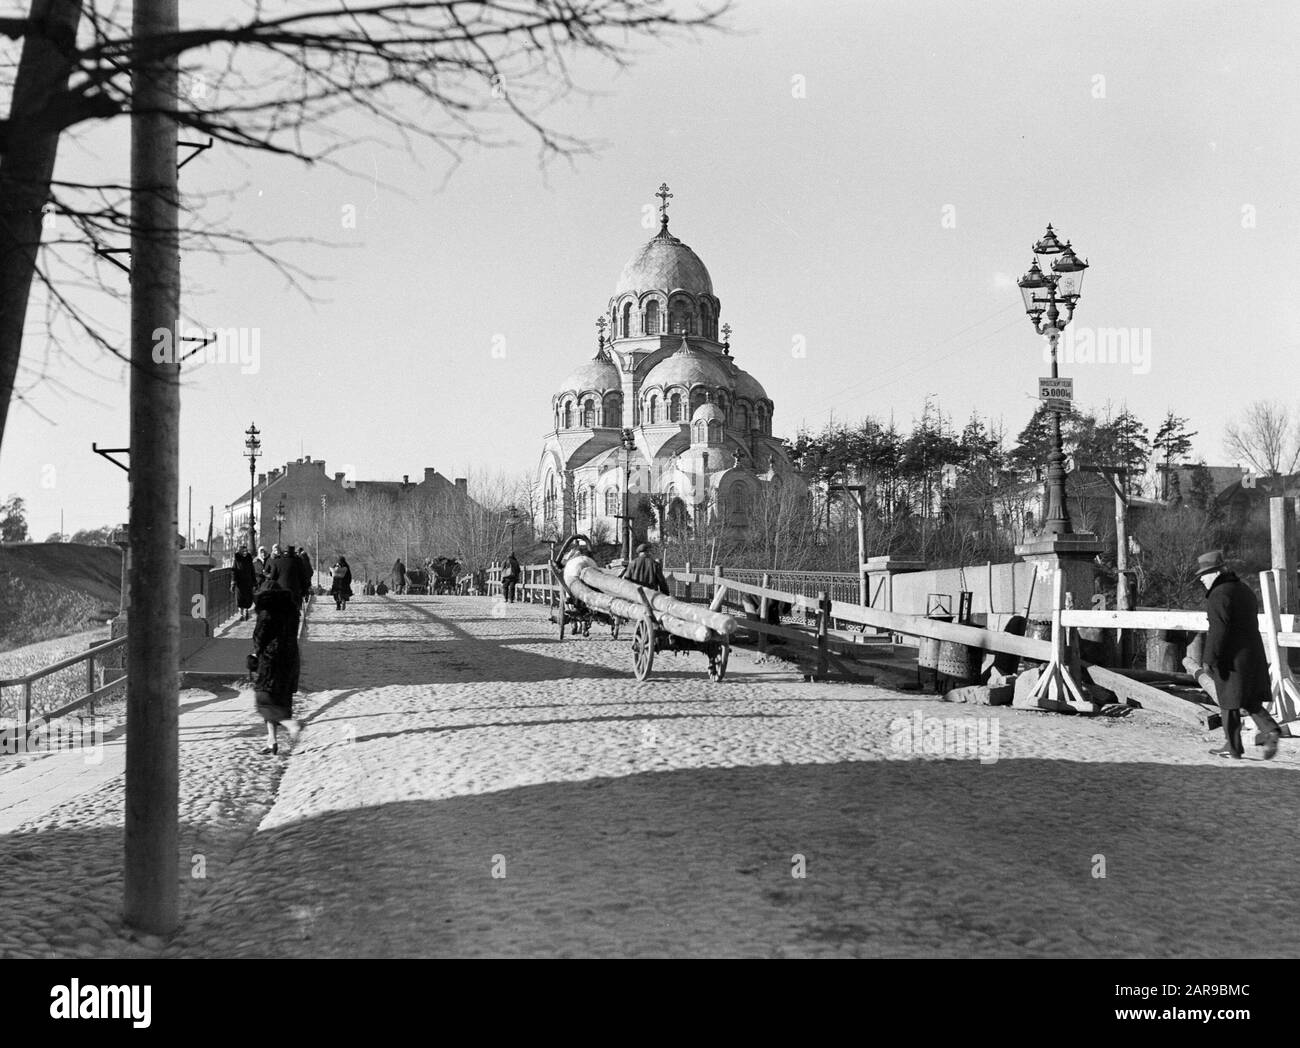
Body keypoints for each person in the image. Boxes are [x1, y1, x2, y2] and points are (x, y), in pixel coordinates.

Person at [1193, 550, 1283, 760]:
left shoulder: (1219, 594)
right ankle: (1270, 731)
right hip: (1252, 653)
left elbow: (1218, 629)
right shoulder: (1243, 589)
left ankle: (1232, 747)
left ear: (1215, 573)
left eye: (1204, 575)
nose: (1202, 580)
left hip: (1230, 657)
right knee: (1249, 699)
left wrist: (1209, 658)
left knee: (1228, 702)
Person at [249, 586, 302, 755]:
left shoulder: (266, 612)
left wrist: (255, 654)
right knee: (281, 698)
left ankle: (290, 724)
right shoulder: (292, 611)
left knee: (264, 698)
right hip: (291, 657)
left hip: (272, 659)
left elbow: (259, 637)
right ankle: (272, 741)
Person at [231, 547, 257, 620]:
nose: (245, 552)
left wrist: (254, 582)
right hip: (239, 583)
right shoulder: (237, 560)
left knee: (248, 598)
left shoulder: (249, 559)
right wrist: (233, 582)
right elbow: (234, 571)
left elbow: (252, 571)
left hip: (248, 582)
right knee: (239, 599)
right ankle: (241, 614)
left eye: (246, 551)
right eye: (243, 551)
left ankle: (246, 611)